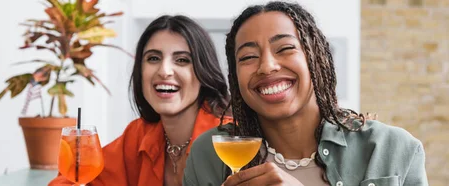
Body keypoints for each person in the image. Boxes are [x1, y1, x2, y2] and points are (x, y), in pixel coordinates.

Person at [183, 1, 428, 186]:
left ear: (316, 59)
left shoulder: (393, 149)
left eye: (285, 48)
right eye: (248, 57)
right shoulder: (209, 153)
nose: (267, 66)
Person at [49, 15, 231, 186]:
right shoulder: (139, 135)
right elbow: (72, 180)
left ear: (203, 72)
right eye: (153, 58)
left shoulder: (231, 139)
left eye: (182, 60)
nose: (164, 71)